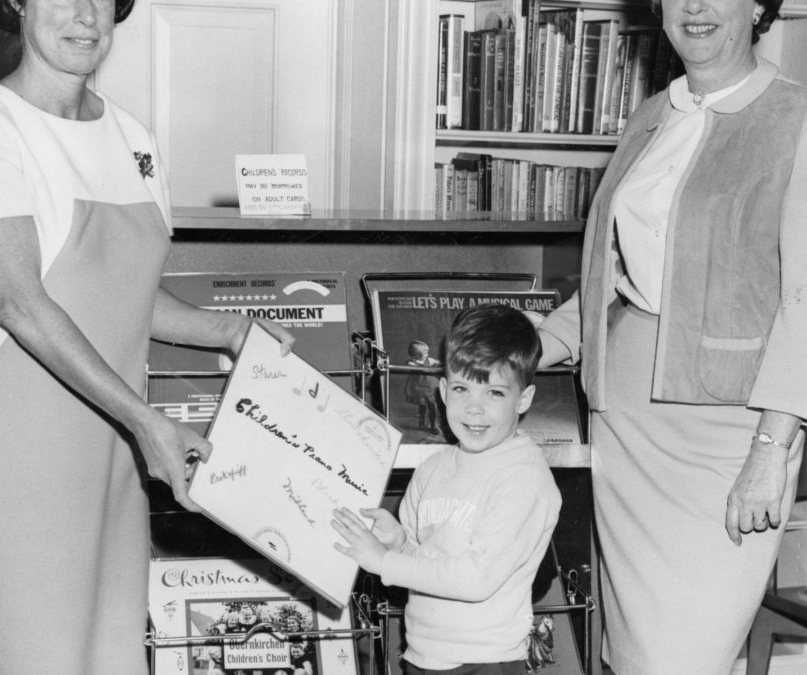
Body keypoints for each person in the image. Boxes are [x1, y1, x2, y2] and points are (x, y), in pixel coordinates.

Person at [0, 1, 294, 673]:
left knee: (102, 651)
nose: (86, 15)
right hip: (14, 461)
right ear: (17, 5)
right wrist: (146, 421)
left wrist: (231, 329)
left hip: (110, 454)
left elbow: (122, 294)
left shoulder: (134, 139)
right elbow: (21, 304)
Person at [536, 0, 806, 671]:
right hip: (626, 416)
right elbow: (618, 275)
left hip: (731, 429)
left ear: (757, 6)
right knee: (631, 653)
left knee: (683, 652)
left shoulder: (797, 118)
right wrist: (533, 342)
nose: (696, 7)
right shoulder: (652, 115)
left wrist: (773, 448)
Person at [332, 305, 562, 675]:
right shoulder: (433, 467)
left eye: (495, 393)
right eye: (461, 388)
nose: (474, 408)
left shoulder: (523, 477)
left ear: (524, 399)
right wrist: (399, 543)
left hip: (486, 660)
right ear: (442, 390)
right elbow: (426, 559)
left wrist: (383, 562)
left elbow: (476, 578)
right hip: (423, 655)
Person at [403, 340, 441, 432]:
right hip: (419, 387)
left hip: (430, 387)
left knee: (432, 406)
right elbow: (408, 367)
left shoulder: (430, 360)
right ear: (416, 354)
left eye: (427, 352)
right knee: (422, 406)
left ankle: (432, 425)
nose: (427, 354)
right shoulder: (411, 363)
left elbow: (440, 363)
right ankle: (421, 421)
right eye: (424, 353)